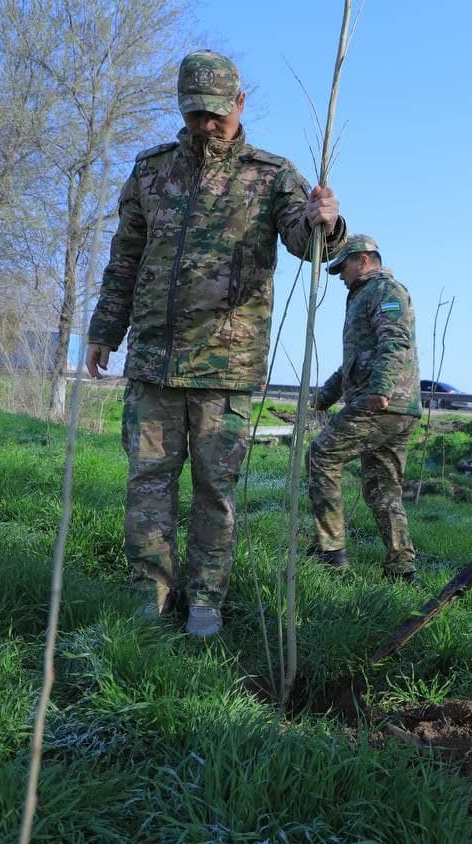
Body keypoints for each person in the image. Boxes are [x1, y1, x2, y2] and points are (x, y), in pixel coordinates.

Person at [85, 50, 347, 639]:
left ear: (239, 105)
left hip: (226, 365)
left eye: (216, 114)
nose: (206, 125)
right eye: (195, 113)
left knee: (214, 490)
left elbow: (309, 243)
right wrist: (106, 329)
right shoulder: (151, 171)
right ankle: (148, 594)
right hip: (153, 358)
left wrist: (326, 222)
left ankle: (205, 597)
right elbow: (124, 258)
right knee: (147, 483)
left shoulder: (271, 174)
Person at [307, 235, 421, 582]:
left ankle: (331, 552)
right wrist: (322, 398)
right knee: (383, 490)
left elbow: (395, 339)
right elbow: (353, 363)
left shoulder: (385, 291)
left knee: (322, 455)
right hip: (394, 408)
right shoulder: (361, 296)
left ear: (364, 259)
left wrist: (380, 389)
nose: (341, 274)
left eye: (343, 266)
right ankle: (402, 568)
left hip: (383, 405)